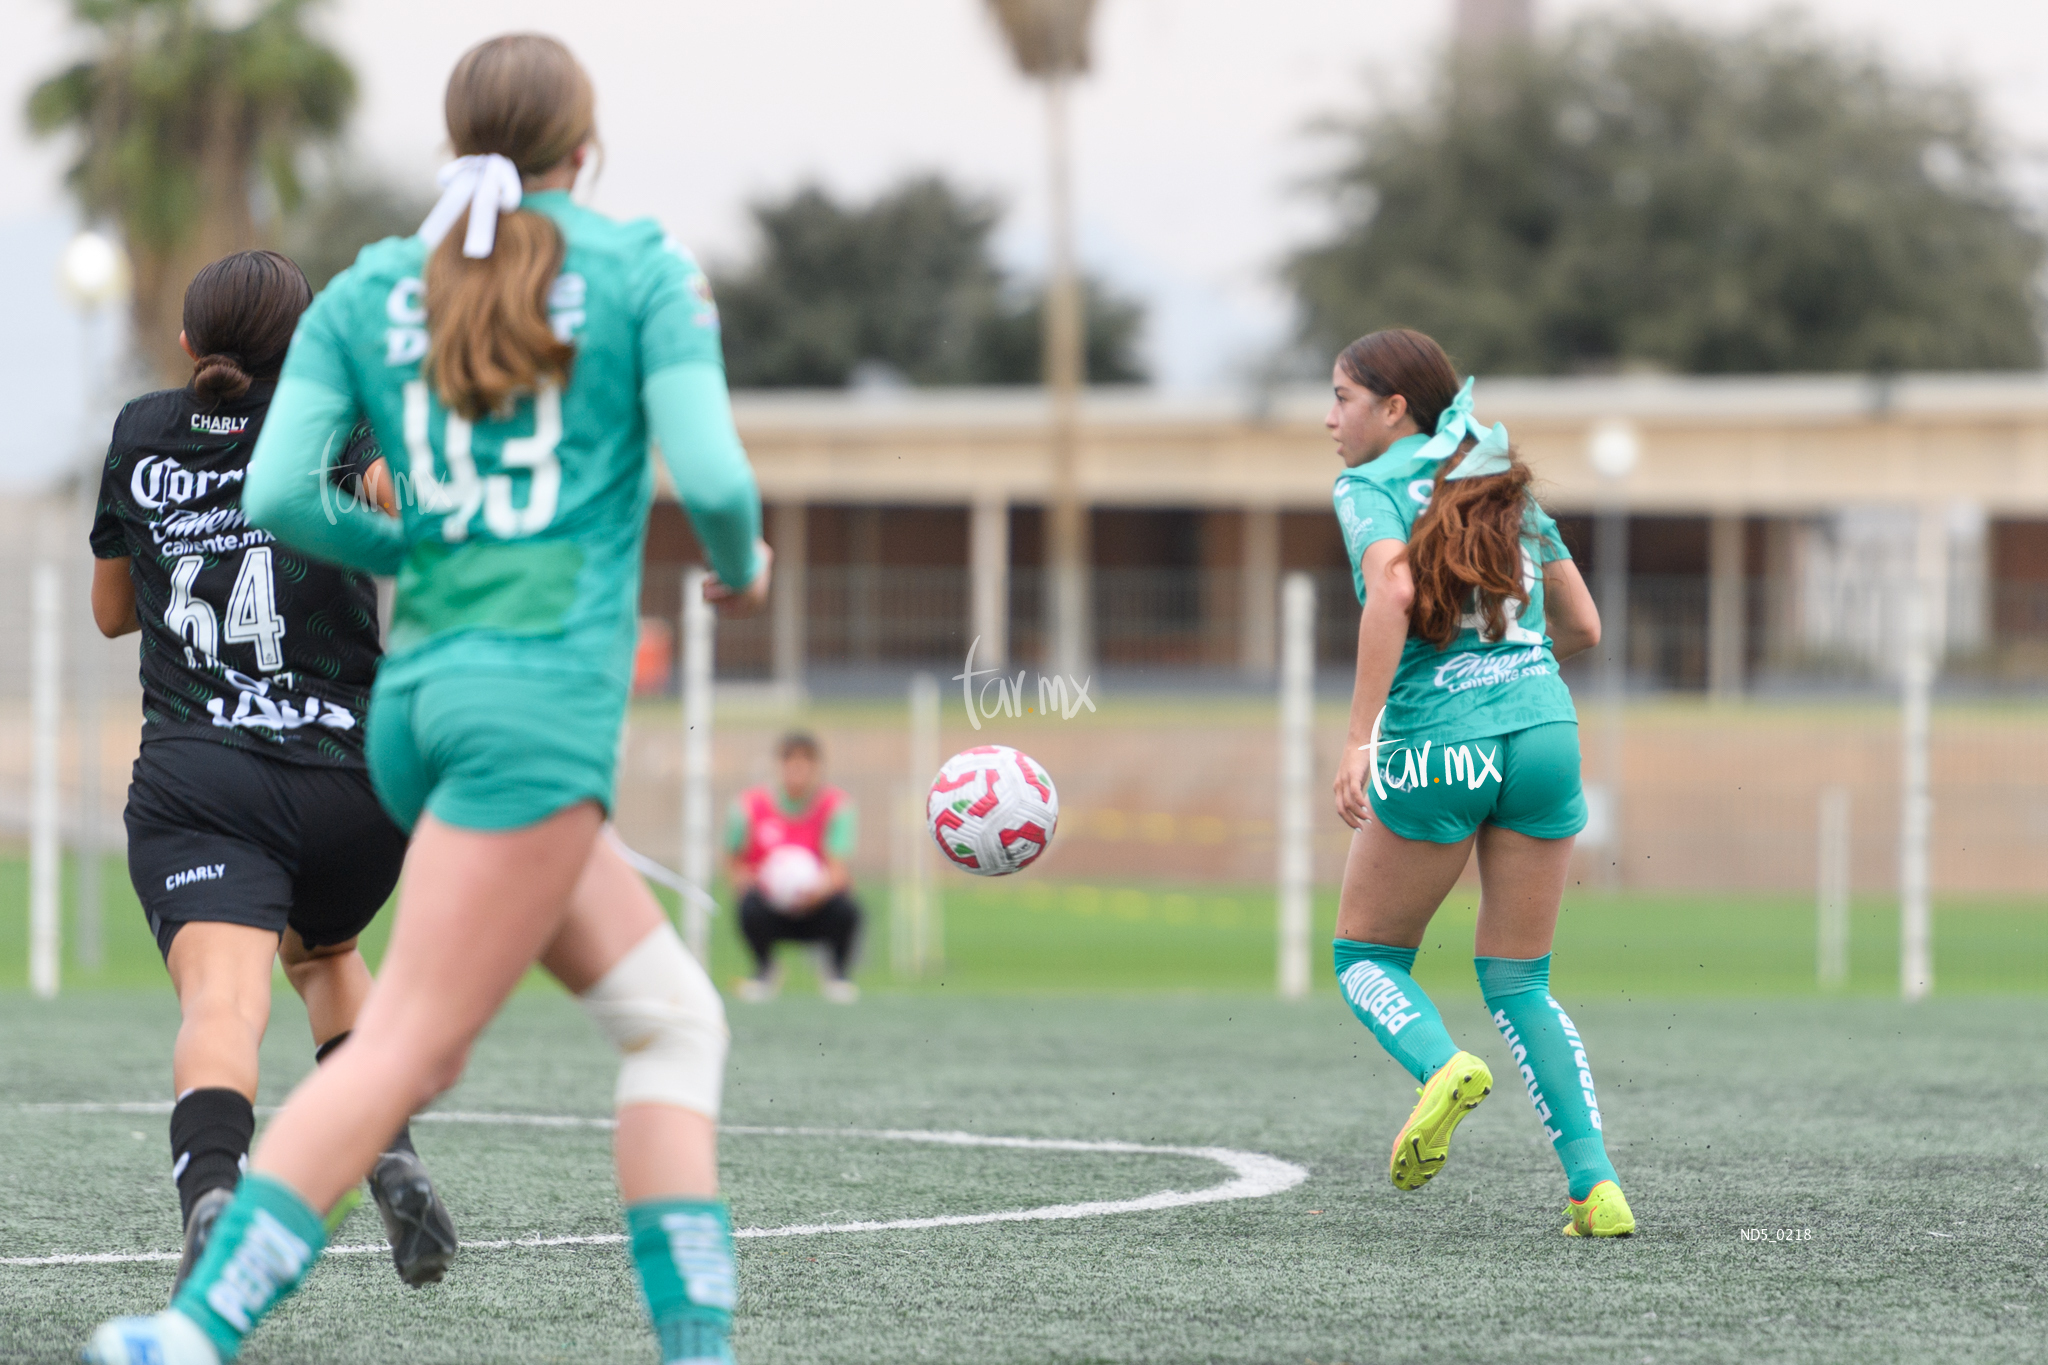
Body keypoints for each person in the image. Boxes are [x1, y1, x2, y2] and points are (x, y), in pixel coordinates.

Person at [85, 33, 769, 1365]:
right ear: (589, 147)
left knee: (675, 1018)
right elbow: (722, 487)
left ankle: (702, 1350)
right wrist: (741, 567)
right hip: (518, 718)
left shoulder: (372, 286)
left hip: (409, 722)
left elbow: (282, 499)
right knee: (399, 1049)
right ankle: (192, 1331)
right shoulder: (639, 270)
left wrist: (427, 549)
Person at [87, 250, 458, 1295]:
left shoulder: (140, 431)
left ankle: (213, 1190)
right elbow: (420, 514)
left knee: (224, 1001)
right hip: (354, 776)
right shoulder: (341, 416)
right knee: (324, 951)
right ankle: (385, 1148)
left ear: (186, 347)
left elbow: (112, 614)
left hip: (205, 774)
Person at [1323, 328, 1633, 1237]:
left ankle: (1440, 1066)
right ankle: (1595, 1188)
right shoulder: (1503, 474)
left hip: (1436, 748)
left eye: (1342, 397)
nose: (1329, 418)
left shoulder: (1368, 486)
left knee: (1366, 957)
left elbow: (1392, 594)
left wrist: (1357, 739)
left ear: (1393, 408)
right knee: (1522, 982)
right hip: (1544, 734)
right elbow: (1583, 623)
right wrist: (1514, 669)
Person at [729, 732, 862, 1003]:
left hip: (818, 905)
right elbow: (734, 862)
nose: (798, 770)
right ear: (779, 765)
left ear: (817, 768)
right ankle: (765, 970)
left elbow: (838, 869)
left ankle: (836, 973)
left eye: (806, 763)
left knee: (847, 907)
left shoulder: (836, 807)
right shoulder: (749, 806)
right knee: (747, 905)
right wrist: (758, 884)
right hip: (770, 908)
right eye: (791, 762)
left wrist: (816, 891)